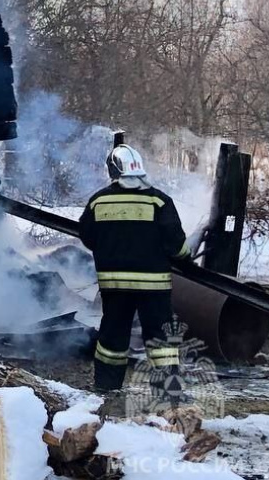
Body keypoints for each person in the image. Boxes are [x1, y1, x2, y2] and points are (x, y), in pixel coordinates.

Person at [78, 144, 189, 392]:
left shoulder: (99, 201)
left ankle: (107, 387)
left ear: (114, 171)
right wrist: (185, 257)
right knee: (160, 339)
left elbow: (87, 236)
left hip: (114, 286)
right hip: (154, 287)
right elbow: (176, 245)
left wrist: (110, 248)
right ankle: (166, 390)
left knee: (112, 337)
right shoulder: (159, 201)